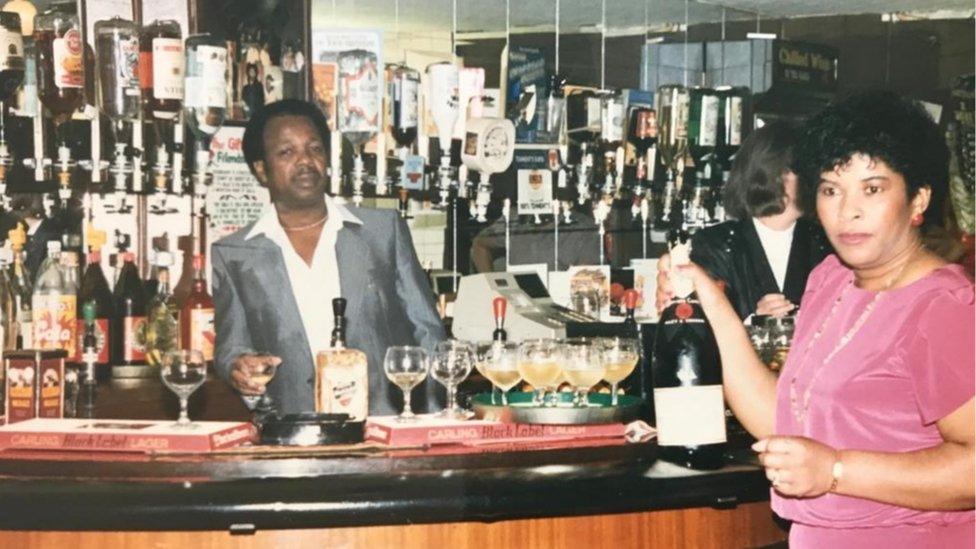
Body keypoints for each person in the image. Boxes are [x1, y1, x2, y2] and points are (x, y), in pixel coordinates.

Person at [663, 90, 975, 547]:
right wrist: (708, 300)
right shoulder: (830, 280)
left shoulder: (942, 307)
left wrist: (834, 469)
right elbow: (781, 423)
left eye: (873, 188)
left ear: (918, 199)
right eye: (831, 189)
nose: (847, 210)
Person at [212, 99, 446, 416]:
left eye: (315, 149)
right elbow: (231, 346)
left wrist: (430, 421)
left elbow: (427, 332)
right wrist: (239, 367)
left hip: (388, 431)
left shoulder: (382, 232)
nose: (306, 161)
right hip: (294, 436)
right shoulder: (235, 254)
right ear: (261, 170)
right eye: (286, 152)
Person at [657, 121, 832, 320]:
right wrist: (754, 321)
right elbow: (701, 326)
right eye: (809, 172)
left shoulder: (825, 242)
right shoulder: (713, 244)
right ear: (774, 174)